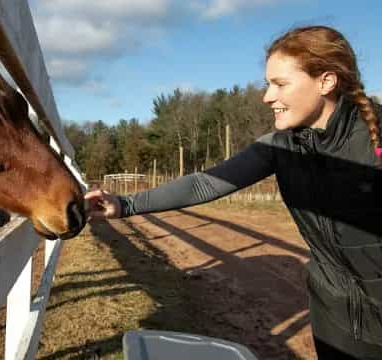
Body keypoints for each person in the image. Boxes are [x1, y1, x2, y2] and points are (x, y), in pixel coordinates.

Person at [84, 26, 382, 359]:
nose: (268, 96)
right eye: (269, 83)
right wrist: (124, 203)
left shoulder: (374, 139)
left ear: (326, 81)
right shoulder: (281, 147)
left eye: (280, 84)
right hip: (336, 318)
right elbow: (204, 183)